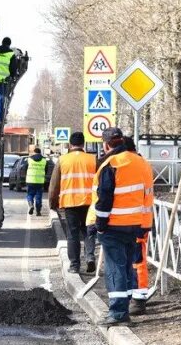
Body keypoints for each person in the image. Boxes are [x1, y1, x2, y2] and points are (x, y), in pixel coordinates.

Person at [89, 128, 153, 326]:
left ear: (106, 144)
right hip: (135, 223)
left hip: (113, 225)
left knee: (115, 268)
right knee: (126, 267)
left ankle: (117, 313)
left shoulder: (111, 164)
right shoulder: (140, 161)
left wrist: (99, 225)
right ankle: (123, 309)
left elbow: (104, 199)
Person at [48, 131, 96, 274]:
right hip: (90, 202)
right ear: (83, 144)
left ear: (70, 144)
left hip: (70, 203)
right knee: (88, 232)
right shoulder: (93, 159)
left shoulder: (63, 160)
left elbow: (54, 184)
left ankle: (74, 265)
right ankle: (90, 257)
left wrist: (52, 202)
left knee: (73, 234)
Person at [123, 136, 155, 315]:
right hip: (138, 221)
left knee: (136, 261)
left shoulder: (134, 165)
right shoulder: (143, 164)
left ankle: (138, 298)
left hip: (133, 221)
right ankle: (135, 297)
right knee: (135, 261)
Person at [0, 37, 18, 124]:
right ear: (9, 45)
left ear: (2, 42)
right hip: (2, 82)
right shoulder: (11, 54)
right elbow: (13, 69)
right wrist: (12, 77)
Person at [24, 146, 48, 216]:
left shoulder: (29, 159)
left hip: (30, 181)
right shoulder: (44, 160)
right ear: (40, 153)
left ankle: (31, 205)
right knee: (38, 197)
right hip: (40, 182)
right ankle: (38, 211)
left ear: (34, 152)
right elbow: (46, 170)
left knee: (30, 195)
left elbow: (25, 168)